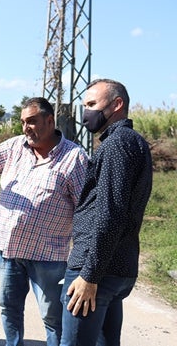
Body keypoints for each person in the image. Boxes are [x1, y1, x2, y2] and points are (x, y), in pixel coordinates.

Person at [0, 97, 88, 346]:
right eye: (23, 122)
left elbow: (85, 210)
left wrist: (85, 258)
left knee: (53, 318)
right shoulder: (14, 147)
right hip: (10, 252)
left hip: (49, 257)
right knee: (9, 309)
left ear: (50, 120)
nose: (25, 128)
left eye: (31, 121)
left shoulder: (74, 158)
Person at [60, 79, 153, 346]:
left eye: (91, 104)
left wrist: (90, 275)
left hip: (96, 269)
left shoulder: (116, 145)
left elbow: (110, 214)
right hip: (118, 268)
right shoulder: (134, 142)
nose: (85, 112)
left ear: (117, 105)